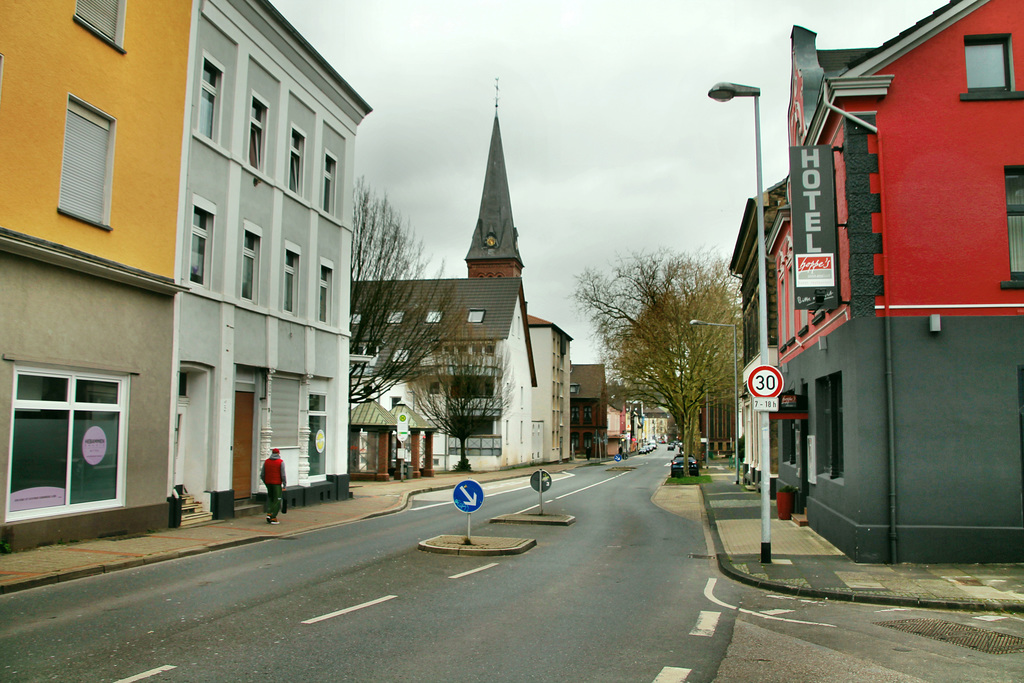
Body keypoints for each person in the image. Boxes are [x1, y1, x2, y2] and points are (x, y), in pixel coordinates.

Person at [260, 448, 287, 524]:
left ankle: (269, 512)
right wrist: (284, 484)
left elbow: (262, 474)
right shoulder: (280, 462)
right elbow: (283, 475)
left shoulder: (266, 462)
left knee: (270, 498)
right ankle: (273, 517)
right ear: (278, 454)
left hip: (268, 483)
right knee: (277, 499)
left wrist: (265, 482)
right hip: (277, 483)